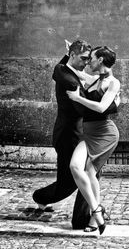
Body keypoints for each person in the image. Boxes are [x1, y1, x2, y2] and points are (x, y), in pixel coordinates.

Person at [32, 38, 92, 228]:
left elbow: (60, 65)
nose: (86, 63)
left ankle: (40, 197)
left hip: (69, 134)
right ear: (73, 55)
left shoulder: (62, 69)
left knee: (70, 179)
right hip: (69, 136)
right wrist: (108, 103)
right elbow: (83, 110)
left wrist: (67, 53)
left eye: (89, 59)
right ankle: (81, 220)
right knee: (79, 177)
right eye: (83, 58)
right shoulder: (69, 80)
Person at [66, 46, 120, 235]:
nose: (89, 61)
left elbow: (101, 107)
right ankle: (97, 209)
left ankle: (93, 218)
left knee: (90, 172)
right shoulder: (96, 78)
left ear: (101, 61)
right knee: (75, 167)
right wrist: (70, 52)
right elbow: (75, 71)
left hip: (105, 134)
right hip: (88, 133)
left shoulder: (113, 83)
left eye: (93, 58)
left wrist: (77, 98)